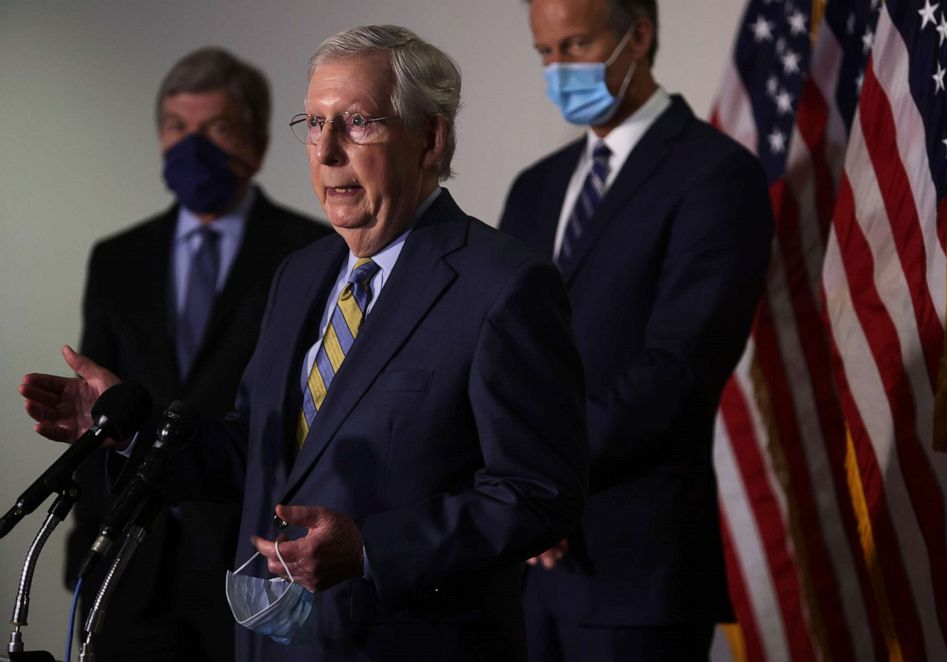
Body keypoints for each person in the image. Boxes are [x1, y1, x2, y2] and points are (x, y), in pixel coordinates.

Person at [23, 25, 588, 662]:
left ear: (430, 139)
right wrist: (127, 426)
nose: (327, 152)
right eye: (315, 125)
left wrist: (373, 549)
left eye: (358, 123)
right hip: (273, 643)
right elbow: (253, 449)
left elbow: (537, 494)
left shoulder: (502, 284)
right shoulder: (300, 273)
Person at [499, 0, 773, 659]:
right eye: (545, 53)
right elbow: (495, 354)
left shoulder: (716, 174)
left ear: (639, 37)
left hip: (634, 574)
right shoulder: (534, 189)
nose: (558, 69)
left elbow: (676, 370)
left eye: (575, 46)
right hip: (519, 570)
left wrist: (540, 474)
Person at [65, 47, 330, 661]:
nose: (193, 147)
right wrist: (86, 546)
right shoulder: (118, 259)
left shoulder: (311, 255)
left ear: (259, 141)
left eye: (216, 129)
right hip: (128, 572)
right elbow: (96, 408)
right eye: (178, 129)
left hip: (252, 570)